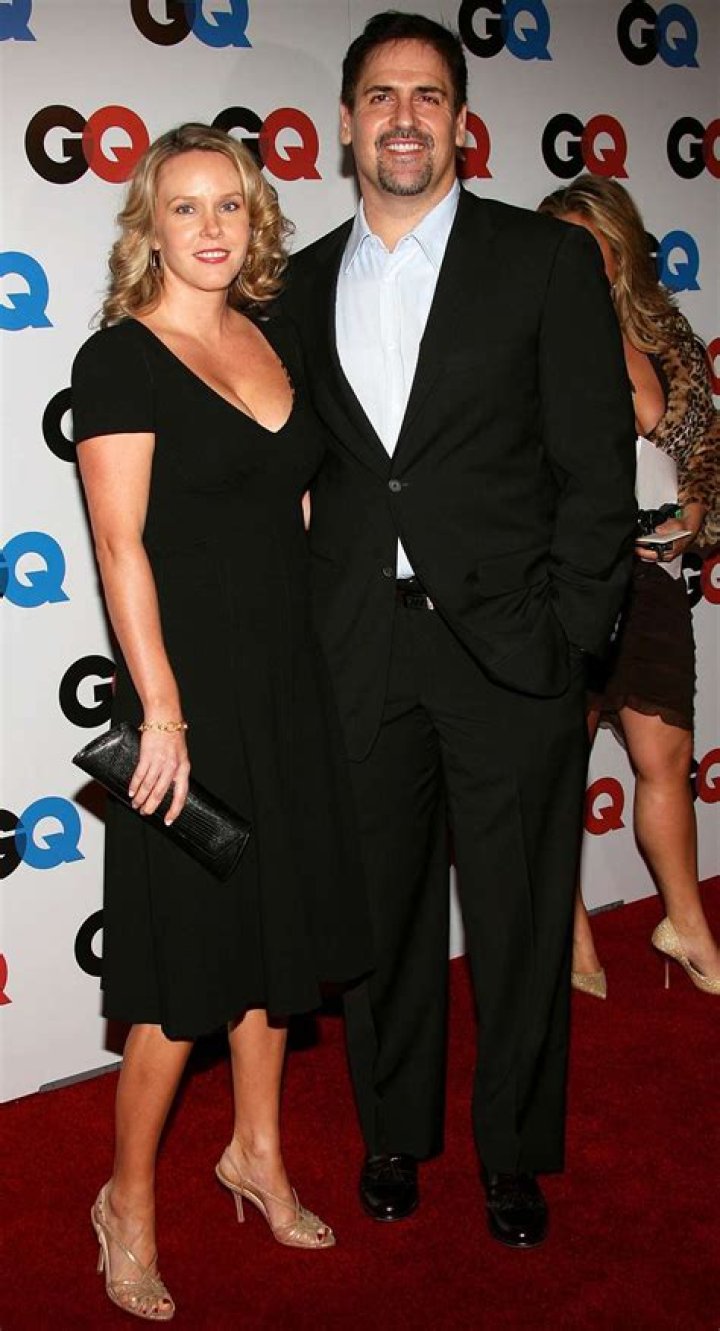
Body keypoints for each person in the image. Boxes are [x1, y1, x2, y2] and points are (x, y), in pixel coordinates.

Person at [283, 12, 636, 1249]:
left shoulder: (542, 261)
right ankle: (395, 1130)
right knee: (380, 915)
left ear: (460, 122)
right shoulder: (298, 284)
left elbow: (596, 467)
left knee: (521, 918)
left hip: (510, 650)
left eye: (427, 96)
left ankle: (514, 1149)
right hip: (362, 648)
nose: (404, 118)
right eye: (381, 96)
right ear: (344, 122)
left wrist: (572, 637)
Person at [72, 123, 372, 1321]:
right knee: (179, 970)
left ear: (257, 222)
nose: (210, 228)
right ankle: (128, 1200)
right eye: (186, 206)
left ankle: (256, 1151)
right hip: (183, 691)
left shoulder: (275, 337)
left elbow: (294, 515)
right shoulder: (119, 359)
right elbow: (118, 546)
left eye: (230, 206)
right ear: (149, 224)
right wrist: (162, 712)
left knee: (275, 936)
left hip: (286, 680)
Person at [538, 174, 720, 1000]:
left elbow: (698, 443)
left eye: (592, 245)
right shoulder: (533, 336)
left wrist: (695, 509)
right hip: (568, 574)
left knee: (665, 753)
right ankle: (570, 926)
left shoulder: (667, 335)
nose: (578, 260)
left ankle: (685, 922)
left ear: (620, 247)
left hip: (654, 575)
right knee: (556, 765)